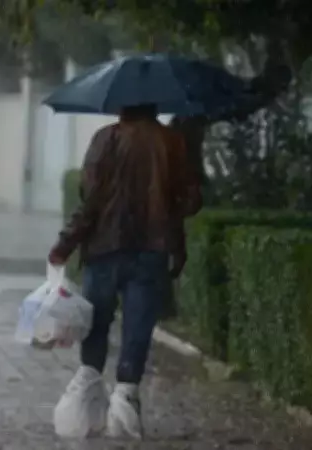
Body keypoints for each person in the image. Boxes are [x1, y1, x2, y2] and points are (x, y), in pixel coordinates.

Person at [48, 104, 202, 440]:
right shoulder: (172, 142)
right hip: (152, 250)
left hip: (104, 249)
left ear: (121, 105)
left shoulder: (105, 139)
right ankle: (125, 404)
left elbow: (89, 201)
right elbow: (190, 201)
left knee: (97, 324)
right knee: (137, 329)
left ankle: (87, 402)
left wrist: (65, 244)